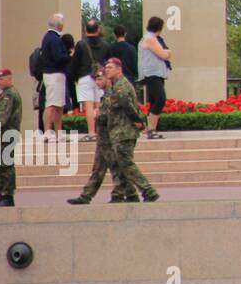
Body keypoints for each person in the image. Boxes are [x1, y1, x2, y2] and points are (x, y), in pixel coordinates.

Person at [66, 63, 137, 205]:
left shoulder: (113, 92)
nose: (97, 82)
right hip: (104, 138)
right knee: (99, 168)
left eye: (100, 79)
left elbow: (116, 114)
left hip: (113, 137)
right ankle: (87, 195)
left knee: (116, 167)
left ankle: (123, 194)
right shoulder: (106, 94)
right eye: (96, 79)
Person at [99, 57, 158, 202]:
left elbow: (128, 106)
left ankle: (148, 190)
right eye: (106, 67)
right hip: (118, 132)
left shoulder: (121, 86)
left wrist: (138, 121)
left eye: (110, 67)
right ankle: (129, 194)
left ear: (119, 69)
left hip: (124, 132)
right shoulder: (115, 86)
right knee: (120, 165)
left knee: (126, 164)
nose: (107, 70)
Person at [0, 68, 22, 207]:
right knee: (0, 164)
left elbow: (2, 116)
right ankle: (4, 196)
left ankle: (7, 195)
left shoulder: (9, 95)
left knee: (4, 165)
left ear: (10, 79)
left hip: (6, 135)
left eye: (1, 79)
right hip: (6, 134)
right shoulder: (6, 94)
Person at [137, 16, 172, 139]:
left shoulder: (149, 38)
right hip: (152, 74)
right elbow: (163, 54)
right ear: (160, 27)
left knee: (153, 101)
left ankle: (150, 129)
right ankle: (151, 129)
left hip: (155, 73)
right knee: (160, 99)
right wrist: (168, 52)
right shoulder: (150, 38)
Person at [39, 14, 70, 139]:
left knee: (59, 104)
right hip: (54, 74)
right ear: (59, 25)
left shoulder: (48, 38)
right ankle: (47, 131)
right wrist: (69, 57)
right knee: (52, 103)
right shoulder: (54, 39)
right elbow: (59, 57)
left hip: (53, 73)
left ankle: (58, 132)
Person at [64, 31, 97, 141]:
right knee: (99, 105)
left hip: (85, 76)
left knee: (89, 105)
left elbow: (75, 63)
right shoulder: (105, 44)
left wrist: (73, 77)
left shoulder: (81, 45)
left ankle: (92, 132)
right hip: (99, 77)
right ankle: (101, 130)